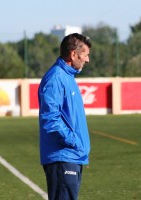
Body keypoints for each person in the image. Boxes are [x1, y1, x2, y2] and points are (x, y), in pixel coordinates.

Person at [38, 33, 91, 200]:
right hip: (63, 156)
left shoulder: (67, 77)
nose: (87, 60)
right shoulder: (56, 78)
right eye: (85, 55)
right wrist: (73, 142)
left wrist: (79, 148)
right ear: (73, 54)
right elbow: (50, 118)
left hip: (72, 156)